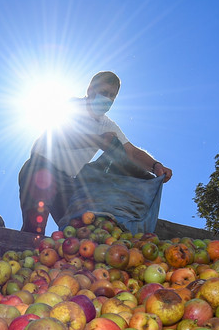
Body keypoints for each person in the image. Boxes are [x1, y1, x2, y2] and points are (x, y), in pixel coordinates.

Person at [17, 71, 173, 234]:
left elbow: (132, 153)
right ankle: (30, 238)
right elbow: (59, 137)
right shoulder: (71, 107)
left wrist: (155, 166)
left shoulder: (107, 125)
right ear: (90, 90)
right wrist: (96, 140)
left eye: (112, 96)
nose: (107, 99)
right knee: (35, 226)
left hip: (69, 182)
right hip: (40, 169)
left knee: (81, 230)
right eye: (104, 93)